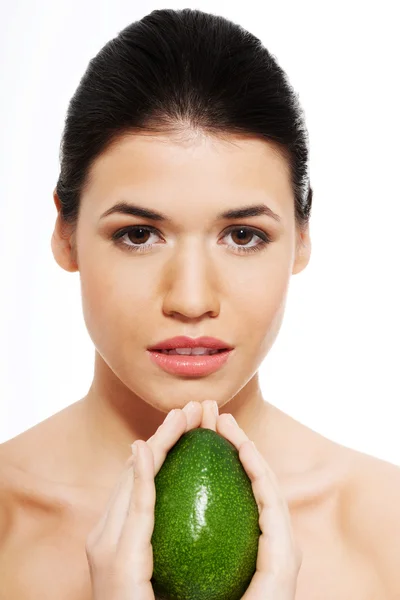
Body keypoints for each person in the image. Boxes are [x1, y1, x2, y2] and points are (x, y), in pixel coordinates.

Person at [0, 7, 399, 599]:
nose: (191, 300)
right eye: (138, 234)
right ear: (64, 232)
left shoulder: (384, 531)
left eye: (243, 236)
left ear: (302, 236)